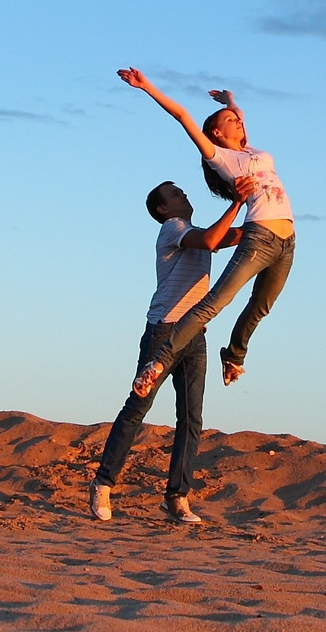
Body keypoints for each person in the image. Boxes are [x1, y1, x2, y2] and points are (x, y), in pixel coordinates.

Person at [116, 69, 297, 399]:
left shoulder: (251, 151)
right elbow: (182, 115)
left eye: (238, 119)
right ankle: (158, 361)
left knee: (262, 305)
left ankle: (234, 355)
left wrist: (230, 101)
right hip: (259, 236)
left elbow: (239, 114)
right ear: (216, 131)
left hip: (287, 242)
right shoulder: (221, 158)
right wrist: (147, 87)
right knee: (214, 303)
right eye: (231, 120)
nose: (239, 122)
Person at [88, 180, 245, 524]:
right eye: (175, 194)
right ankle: (103, 483)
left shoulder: (197, 231)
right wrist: (237, 202)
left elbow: (228, 237)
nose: (183, 194)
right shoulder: (173, 229)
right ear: (163, 209)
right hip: (164, 332)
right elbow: (210, 240)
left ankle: (177, 497)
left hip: (194, 335)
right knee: (138, 407)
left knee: (191, 419)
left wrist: (259, 221)